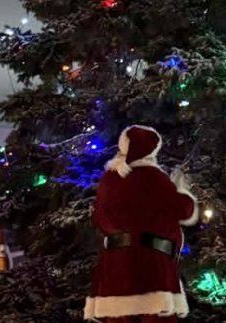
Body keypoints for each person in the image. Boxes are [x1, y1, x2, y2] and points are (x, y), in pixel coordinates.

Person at [84, 125, 199, 322]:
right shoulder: (154, 178)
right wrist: (183, 191)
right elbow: (183, 210)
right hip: (152, 263)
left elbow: (99, 218)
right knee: (156, 316)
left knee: (119, 317)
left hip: (115, 265)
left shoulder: (109, 180)